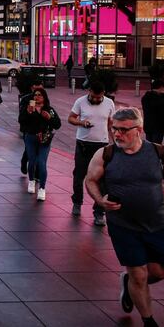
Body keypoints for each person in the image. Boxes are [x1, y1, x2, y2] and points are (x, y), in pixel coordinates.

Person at [85, 108, 164, 327]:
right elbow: (90, 180)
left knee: (160, 273)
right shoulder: (105, 154)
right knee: (139, 275)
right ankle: (148, 320)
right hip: (122, 225)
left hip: (155, 225)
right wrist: (100, 201)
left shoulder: (158, 153)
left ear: (139, 130)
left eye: (123, 130)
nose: (117, 134)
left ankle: (128, 281)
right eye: (115, 129)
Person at [67, 81, 115, 226]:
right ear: (89, 91)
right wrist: (82, 123)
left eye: (99, 97)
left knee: (102, 179)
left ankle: (99, 212)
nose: (96, 100)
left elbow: (110, 123)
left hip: (101, 145)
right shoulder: (80, 102)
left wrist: (114, 141)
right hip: (83, 144)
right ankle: (77, 201)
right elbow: (71, 118)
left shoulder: (109, 103)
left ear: (104, 94)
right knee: (79, 176)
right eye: (93, 97)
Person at [18, 88, 61, 201]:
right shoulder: (29, 107)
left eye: (40, 95)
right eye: (35, 95)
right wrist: (27, 113)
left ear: (44, 97)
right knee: (32, 161)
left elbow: (58, 124)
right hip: (30, 137)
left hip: (44, 140)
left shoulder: (49, 109)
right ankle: (31, 181)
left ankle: (42, 188)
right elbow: (21, 120)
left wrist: (49, 118)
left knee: (42, 162)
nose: (37, 97)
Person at [18, 79, 45, 176]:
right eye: (36, 91)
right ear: (32, 88)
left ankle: (37, 173)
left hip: (41, 130)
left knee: (39, 151)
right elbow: (23, 116)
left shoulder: (45, 99)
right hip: (29, 129)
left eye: (40, 91)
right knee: (30, 149)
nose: (38, 95)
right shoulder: (27, 99)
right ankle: (24, 160)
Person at [140, 80, 164, 144]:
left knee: (149, 145)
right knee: (156, 146)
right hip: (158, 127)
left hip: (148, 126)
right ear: (161, 87)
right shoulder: (161, 100)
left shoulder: (145, 97)